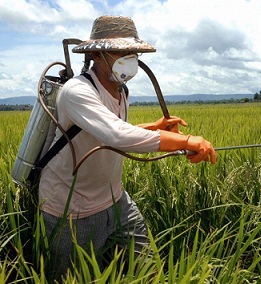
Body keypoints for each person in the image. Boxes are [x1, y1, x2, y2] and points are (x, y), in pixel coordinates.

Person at [38, 15, 216, 279]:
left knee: (148, 269)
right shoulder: (77, 91)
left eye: (132, 51)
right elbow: (117, 135)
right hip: (70, 209)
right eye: (121, 51)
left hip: (114, 199)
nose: (130, 58)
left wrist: (154, 128)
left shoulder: (121, 91)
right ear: (97, 55)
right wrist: (186, 141)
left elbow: (108, 132)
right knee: (72, 279)